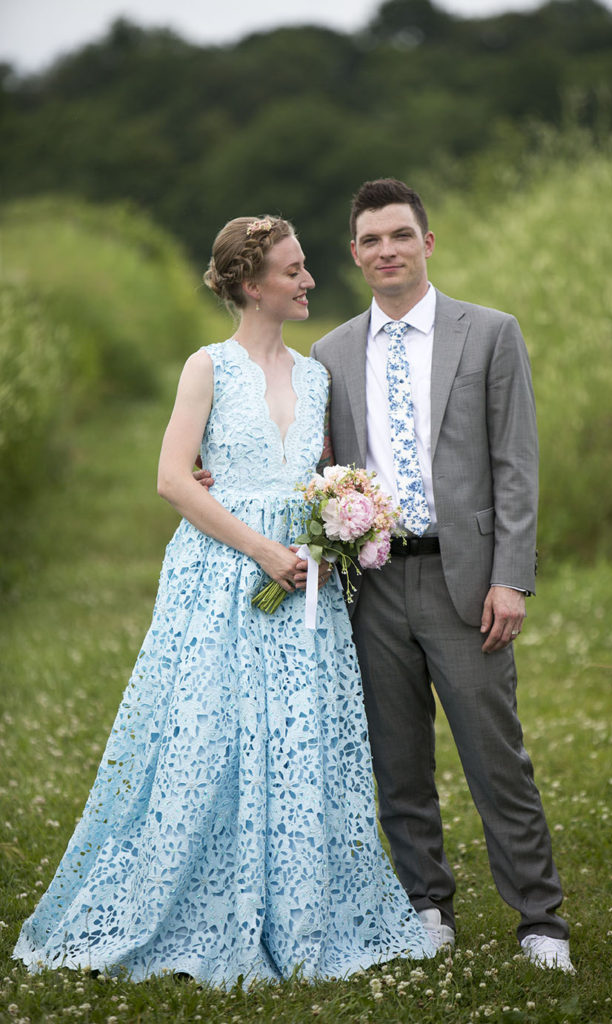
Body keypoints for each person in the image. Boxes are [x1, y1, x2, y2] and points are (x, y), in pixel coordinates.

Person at [13, 214, 434, 988]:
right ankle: (188, 901)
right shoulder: (206, 366)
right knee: (208, 734)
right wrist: (262, 548)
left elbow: (324, 476)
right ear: (250, 284)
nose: (309, 280)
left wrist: (342, 514)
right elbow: (174, 478)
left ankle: (305, 905)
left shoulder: (317, 376)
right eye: (293, 270)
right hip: (221, 574)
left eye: (305, 267)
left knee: (300, 736)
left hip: (304, 586)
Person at [311, 179, 574, 974]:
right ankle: (426, 906)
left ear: (427, 242)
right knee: (396, 758)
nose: (386, 249)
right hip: (375, 585)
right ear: (354, 255)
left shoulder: (488, 334)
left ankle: (540, 921)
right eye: (370, 240)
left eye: (400, 235)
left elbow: (514, 465)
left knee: (497, 757)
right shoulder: (329, 353)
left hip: (466, 581)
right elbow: (313, 464)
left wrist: (510, 578)